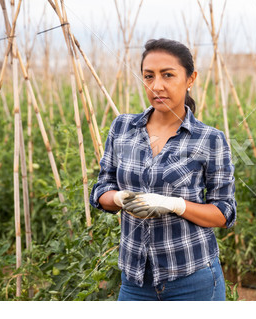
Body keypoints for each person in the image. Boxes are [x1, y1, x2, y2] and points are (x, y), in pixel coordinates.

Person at [90, 38, 236, 301]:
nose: (157, 86)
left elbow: (224, 213)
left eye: (168, 75)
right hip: (135, 281)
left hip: (193, 280)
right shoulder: (123, 128)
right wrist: (120, 198)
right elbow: (101, 189)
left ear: (191, 78)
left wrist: (176, 205)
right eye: (149, 76)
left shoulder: (209, 139)